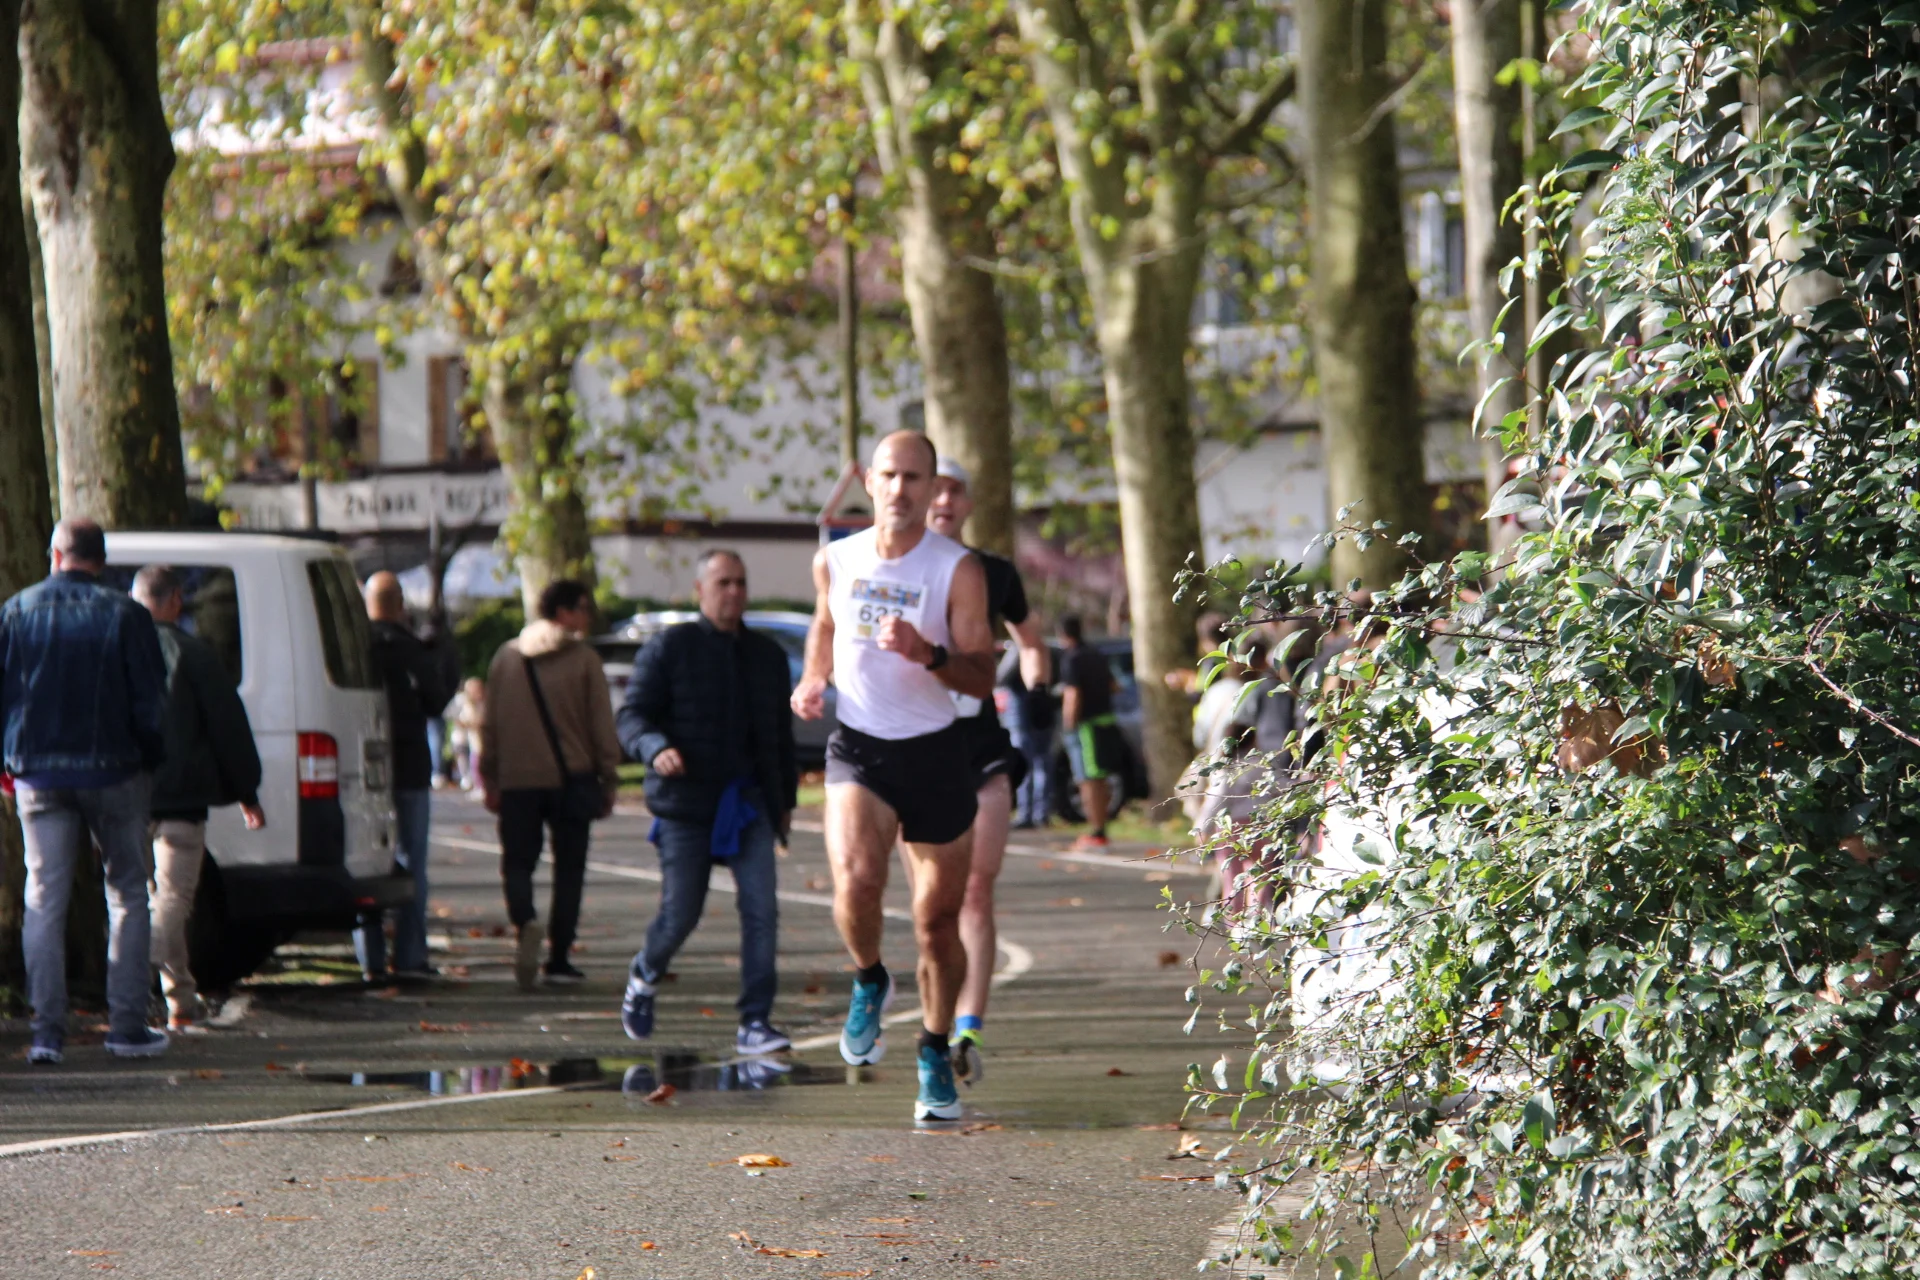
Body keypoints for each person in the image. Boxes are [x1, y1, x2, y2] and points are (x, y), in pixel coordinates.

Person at [791, 430, 996, 1124]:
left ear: (933, 488)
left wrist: (927, 652)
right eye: (889, 475)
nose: (901, 489)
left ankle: (934, 1049)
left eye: (914, 477)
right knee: (855, 880)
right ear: (870, 483)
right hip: (859, 747)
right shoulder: (836, 558)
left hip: (935, 752)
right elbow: (824, 626)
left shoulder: (957, 569)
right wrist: (812, 679)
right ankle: (869, 977)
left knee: (936, 922)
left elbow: (982, 673)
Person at [0, 518, 170, 1063]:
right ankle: (127, 1027)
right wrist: (150, 761)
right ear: (101, 561)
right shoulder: (127, 614)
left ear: (55, 555)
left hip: (38, 773)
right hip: (116, 770)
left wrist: (7, 764)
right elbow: (150, 702)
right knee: (127, 892)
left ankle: (47, 1033)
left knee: (43, 898)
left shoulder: (16, 612)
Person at [616, 549, 799, 1055]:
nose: (734, 592)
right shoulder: (669, 648)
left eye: (740, 582)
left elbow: (779, 737)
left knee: (761, 911)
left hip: (749, 803)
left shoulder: (766, 656)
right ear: (700, 590)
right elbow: (631, 717)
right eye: (723, 583)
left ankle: (755, 1021)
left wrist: (783, 800)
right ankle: (645, 973)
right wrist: (655, 748)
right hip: (687, 804)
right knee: (681, 913)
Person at [923, 457, 1050, 1084]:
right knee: (932, 903)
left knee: (976, 889)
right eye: (935, 489)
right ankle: (936, 1022)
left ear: (968, 504)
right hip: (917, 746)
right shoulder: (891, 571)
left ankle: (968, 1028)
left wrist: (1036, 681)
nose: (944, 501)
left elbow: (1030, 639)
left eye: (955, 491)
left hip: (982, 748)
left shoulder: (994, 573)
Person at [133, 565, 266, 1032]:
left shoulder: (115, 654)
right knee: (173, 899)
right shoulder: (194, 655)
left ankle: (181, 996)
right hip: (181, 801)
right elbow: (228, 727)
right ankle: (137, 962)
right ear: (174, 600)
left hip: (125, 799)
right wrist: (246, 791)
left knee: (145, 897)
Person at [479, 579, 621, 991]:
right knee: (569, 871)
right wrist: (609, 776)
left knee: (517, 863)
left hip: (518, 781)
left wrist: (490, 774)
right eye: (583, 607)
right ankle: (559, 958)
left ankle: (525, 920)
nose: (588, 616)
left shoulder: (506, 657)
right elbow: (601, 724)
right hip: (572, 779)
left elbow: (489, 724)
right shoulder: (584, 660)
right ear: (563, 612)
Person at [355, 572, 458, 982]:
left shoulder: (353, 648)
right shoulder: (410, 649)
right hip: (410, 767)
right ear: (399, 604)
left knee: (364, 863)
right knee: (412, 863)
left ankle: (371, 958)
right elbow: (436, 701)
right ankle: (411, 955)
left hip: (362, 769)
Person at [1057, 614, 1122, 850]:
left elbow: (1073, 694)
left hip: (1087, 726)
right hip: (1106, 721)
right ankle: (1100, 828)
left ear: (1062, 634)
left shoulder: (1071, 658)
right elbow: (1115, 686)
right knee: (1100, 778)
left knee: (1088, 780)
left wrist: (1068, 724)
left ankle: (1097, 833)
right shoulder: (1097, 654)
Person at [448, 677, 486, 790]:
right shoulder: (461, 702)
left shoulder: (483, 703)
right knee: (463, 757)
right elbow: (454, 717)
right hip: (462, 737)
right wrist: (467, 724)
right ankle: (466, 777)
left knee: (477, 760)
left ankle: (478, 783)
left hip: (476, 739)